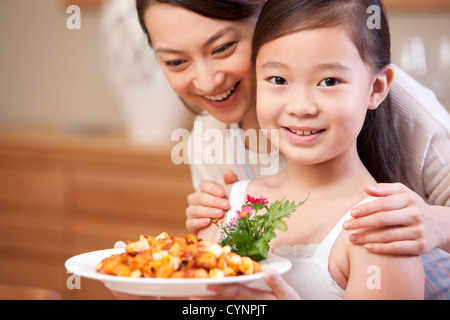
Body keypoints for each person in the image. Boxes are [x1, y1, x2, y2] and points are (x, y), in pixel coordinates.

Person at [135, 0, 450, 299]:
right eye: (176, 61)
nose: (207, 81)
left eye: (222, 48)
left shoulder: (380, 229)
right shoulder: (212, 144)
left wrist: (436, 223)